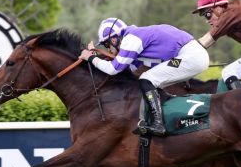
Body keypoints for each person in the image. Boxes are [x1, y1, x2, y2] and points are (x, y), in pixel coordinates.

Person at [79, 18, 209, 136]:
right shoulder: (136, 36)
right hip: (191, 54)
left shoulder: (131, 39)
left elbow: (113, 69)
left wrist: (90, 57)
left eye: (107, 45)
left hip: (190, 56)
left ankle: (158, 124)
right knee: (148, 79)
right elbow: (134, 70)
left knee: (147, 79)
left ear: (114, 39)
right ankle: (163, 115)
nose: (109, 49)